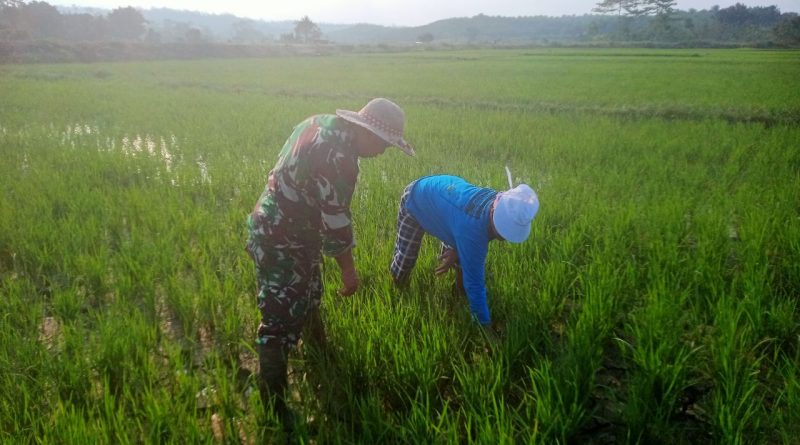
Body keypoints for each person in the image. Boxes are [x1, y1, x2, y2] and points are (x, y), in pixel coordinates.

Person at [245, 98, 414, 425]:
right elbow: (336, 222)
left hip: (290, 226)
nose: (383, 151)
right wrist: (349, 272)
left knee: (309, 293)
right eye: (384, 144)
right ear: (366, 131)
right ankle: (273, 406)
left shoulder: (318, 121)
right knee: (277, 320)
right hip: (280, 237)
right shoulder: (341, 159)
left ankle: (319, 351)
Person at [389, 174, 538, 343]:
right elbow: (475, 283)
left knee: (463, 255)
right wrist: (486, 329)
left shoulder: (499, 201)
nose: (504, 238)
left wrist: (458, 248)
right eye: (502, 230)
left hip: (447, 206)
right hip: (416, 200)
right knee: (406, 257)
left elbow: (470, 227)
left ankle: (459, 295)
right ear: (496, 211)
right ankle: (397, 291)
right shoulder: (472, 231)